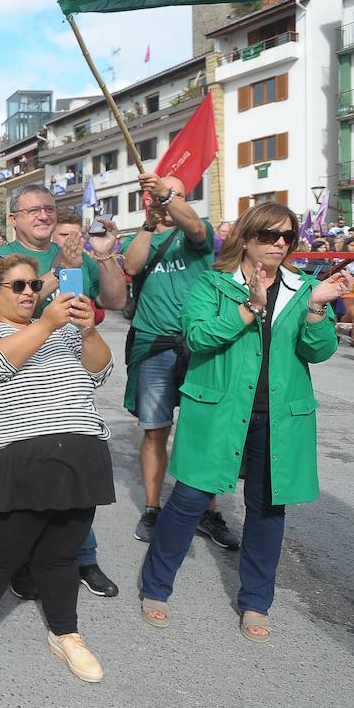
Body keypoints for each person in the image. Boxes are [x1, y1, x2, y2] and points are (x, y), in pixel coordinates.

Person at [138, 203, 353, 640]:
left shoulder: (303, 287)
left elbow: (318, 351)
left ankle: (256, 602)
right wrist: (249, 308)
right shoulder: (214, 284)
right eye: (269, 235)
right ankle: (156, 586)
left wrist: (315, 310)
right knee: (188, 501)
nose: (278, 243)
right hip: (218, 410)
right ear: (247, 237)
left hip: (279, 416)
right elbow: (197, 337)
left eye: (286, 237)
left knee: (269, 509)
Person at [0, 254, 115, 683]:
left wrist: (89, 329)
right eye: (18, 286)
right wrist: (46, 325)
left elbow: (100, 371)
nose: (29, 293)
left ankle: (66, 633)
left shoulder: (62, 334)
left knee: (62, 553)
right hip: (3, 455)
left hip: (76, 454)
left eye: (34, 286)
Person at [122, 172, 240, 550]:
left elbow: (195, 227)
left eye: (173, 195)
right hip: (154, 344)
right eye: (156, 195)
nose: (162, 200)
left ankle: (209, 510)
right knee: (155, 429)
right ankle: (153, 507)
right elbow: (132, 266)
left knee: (203, 429)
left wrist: (168, 194)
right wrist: (149, 222)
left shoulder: (197, 230)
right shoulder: (142, 233)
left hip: (198, 344)